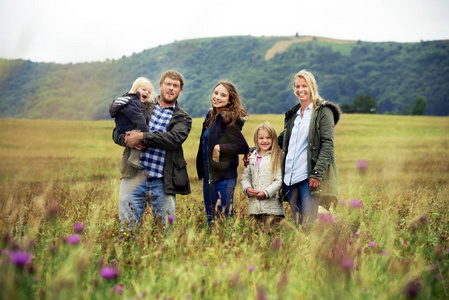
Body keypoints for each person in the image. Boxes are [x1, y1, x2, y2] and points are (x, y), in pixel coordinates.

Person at [112, 70, 192, 230]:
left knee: (165, 232)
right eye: (168, 84)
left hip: (162, 182)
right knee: (128, 230)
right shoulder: (142, 105)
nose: (171, 88)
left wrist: (142, 137)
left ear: (180, 90)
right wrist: (128, 139)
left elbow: (173, 139)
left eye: (175, 86)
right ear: (160, 86)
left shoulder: (183, 118)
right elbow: (116, 132)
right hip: (133, 178)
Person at [279, 69, 340, 227]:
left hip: (308, 178)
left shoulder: (323, 112)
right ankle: (302, 252)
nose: (300, 90)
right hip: (290, 178)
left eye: (304, 86)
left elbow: (328, 144)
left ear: (312, 87)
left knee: (309, 224)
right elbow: (280, 140)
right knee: (298, 224)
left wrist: (317, 173)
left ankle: (314, 251)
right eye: (297, 86)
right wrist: (252, 150)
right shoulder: (294, 115)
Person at [196, 81, 249, 224]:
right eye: (216, 93)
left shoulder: (226, 117)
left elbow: (242, 145)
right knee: (211, 221)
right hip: (209, 177)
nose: (217, 97)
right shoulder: (210, 116)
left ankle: (228, 246)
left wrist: (219, 148)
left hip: (224, 177)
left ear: (230, 100)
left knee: (224, 222)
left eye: (223, 95)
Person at [241, 121, 285, 227]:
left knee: (274, 239)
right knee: (256, 239)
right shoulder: (252, 157)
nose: (264, 141)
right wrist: (247, 188)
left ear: (273, 139)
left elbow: (279, 181)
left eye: (268, 138)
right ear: (256, 139)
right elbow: (246, 177)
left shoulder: (277, 156)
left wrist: (266, 193)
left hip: (273, 210)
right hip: (254, 209)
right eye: (261, 138)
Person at [109, 77, 156, 169]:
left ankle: (135, 158)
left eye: (149, 92)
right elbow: (139, 119)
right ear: (135, 90)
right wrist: (146, 133)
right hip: (128, 128)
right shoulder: (133, 103)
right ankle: (134, 159)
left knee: (139, 136)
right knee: (139, 136)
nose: (147, 93)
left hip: (124, 127)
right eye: (144, 90)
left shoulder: (129, 101)